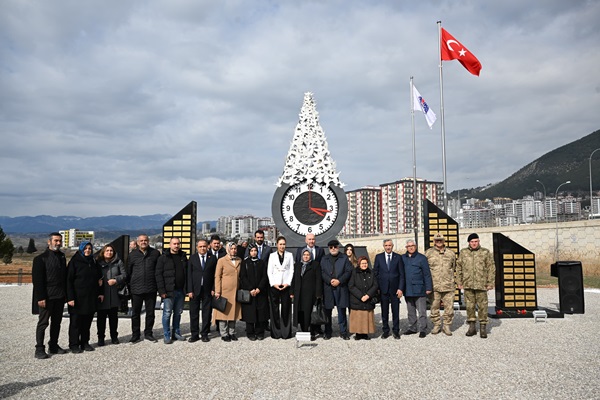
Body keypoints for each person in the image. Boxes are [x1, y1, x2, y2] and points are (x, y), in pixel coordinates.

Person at [32, 232, 68, 359]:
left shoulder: (62, 257)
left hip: (59, 296)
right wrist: (40, 297)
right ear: (49, 242)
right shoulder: (40, 259)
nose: (58, 243)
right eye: (56, 241)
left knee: (56, 323)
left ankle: (53, 345)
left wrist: (66, 295)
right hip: (46, 296)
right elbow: (37, 280)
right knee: (43, 323)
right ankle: (39, 348)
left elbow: (64, 277)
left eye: (60, 241)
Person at [456, 233, 495, 338]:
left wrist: (490, 282)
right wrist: (459, 282)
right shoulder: (463, 252)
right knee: (469, 306)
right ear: (469, 242)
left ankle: (483, 328)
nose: (474, 243)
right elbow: (459, 267)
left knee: (483, 307)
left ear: (479, 241)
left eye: (476, 241)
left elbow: (491, 268)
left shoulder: (485, 252)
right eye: (472, 242)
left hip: (481, 284)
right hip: (468, 284)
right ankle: (472, 327)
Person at [67, 241, 103, 353]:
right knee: (75, 323)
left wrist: (100, 292)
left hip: (90, 297)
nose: (87, 250)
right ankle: (74, 344)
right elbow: (68, 281)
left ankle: (84, 342)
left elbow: (99, 279)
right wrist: (70, 298)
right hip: (77, 298)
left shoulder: (93, 262)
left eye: (89, 248)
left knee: (87, 322)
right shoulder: (74, 262)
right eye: (85, 248)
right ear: (81, 249)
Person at [127, 234, 161, 343]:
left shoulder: (155, 253)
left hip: (151, 288)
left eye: (145, 240)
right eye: (141, 240)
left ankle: (148, 333)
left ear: (148, 241)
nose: (143, 242)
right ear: (137, 242)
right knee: (135, 313)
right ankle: (135, 335)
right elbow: (128, 272)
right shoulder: (132, 255)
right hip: (136, 288)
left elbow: (158, 271)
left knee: (150, 313)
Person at [156, 237, 188, 344]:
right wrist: (161, 291)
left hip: (180, 290)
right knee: (167, 313)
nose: (176, 246)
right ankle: (167, 334)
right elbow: (158, 275)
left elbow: (186, 273)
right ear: (170, 245)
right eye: (174, 244)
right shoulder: (163, 258)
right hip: (168, 291)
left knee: (178, 313)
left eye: (178, 244)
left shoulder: (183, 257)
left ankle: (176, 332)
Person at [425, 233, 457, 336]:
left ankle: (447, 326)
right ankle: (437, 325)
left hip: (448, 286)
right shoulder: (428, 253)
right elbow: (425, 270)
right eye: (437, 240)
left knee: (449, 308)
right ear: (434, 241)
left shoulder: (451, 253)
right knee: (434, 307)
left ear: (444, 241)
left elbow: (454, 267)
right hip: (434, 286)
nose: (439, 242)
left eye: (440, 240)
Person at [321, 239, 353, 340]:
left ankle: (343, 332)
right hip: (328, 288)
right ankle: (328, 331)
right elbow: (322, 272)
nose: (333, 249)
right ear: (329, 248)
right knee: (327, 312)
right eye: (331, 247)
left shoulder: (344, 258)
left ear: (338, 247)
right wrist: (330, 280)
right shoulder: (324, 259)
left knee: (342, 311)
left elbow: (348, 271)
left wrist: (339, 280)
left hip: (341, 287)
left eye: (335, 247)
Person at [373, 239, 404, 339]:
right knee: (384, 311)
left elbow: (401, 275)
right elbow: (375, 273)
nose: (388, 247)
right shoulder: (379, 257)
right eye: (386, 245)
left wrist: (400, 288)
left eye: (389, 245)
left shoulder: (398, 257)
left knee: (395, 311)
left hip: (395, 290)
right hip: (383, 289)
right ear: (383, 246)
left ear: (392, 246)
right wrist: (377, 287)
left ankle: (396, 330)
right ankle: (385, 330)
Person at [402, 239, 433, 338]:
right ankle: (412, 328)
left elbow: (427, 274)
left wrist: (428, 287)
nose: (410, 247)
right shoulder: (402, 258)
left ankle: (423, 329)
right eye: (408, 246)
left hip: (419, 289)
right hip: (407, 289)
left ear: (415, 246)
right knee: (410, 311)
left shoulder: (422, 258)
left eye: (412, 246)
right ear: (406, 248)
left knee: (422, 311)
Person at [187, 239, 217, 343]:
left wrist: (214, 288)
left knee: (207, 313)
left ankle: (204, 334)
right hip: (195, 290)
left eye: (204, 246)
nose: (202, 248)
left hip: (208, 290)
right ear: (197, 248)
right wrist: (189, 290)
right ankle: (194, 334)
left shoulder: (212, 258)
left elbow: (215, 275)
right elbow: (189, 275)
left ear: (207, 247)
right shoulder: (192, 258)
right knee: (194, 313)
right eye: (200, 247)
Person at [96, 244, 126, 346]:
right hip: (102, 295)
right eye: (107, 251)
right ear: (103, 252)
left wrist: (116, 280)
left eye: (111, 251)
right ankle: (101, 338)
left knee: (114, 318)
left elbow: (124, 275)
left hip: (114, 294)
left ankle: (114, 336)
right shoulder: (98, 263)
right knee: (101, 319)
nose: (109, 252)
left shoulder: (118, 262)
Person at [239, 244, 269, 340]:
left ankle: (260, 332)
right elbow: (243, 277)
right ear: (249, 252)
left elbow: (265, 276)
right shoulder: (245, 263)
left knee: (261, 313)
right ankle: (250, 332)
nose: (254, 252)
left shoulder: (261, 262)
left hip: (260, 291)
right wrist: (251, 288)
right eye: (252, 251)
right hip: (250, 292)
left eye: (255, 251)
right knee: (250, 313)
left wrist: (259, 288)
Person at [267, 236, 294, 339]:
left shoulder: (290, 255)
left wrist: (288, 283)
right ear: (277, 245)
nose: (282, 246)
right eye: (280, 244)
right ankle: (276, 332)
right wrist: (273, 284)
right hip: (275, 285)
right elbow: (269, 271)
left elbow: (291, 270)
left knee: (286, 309)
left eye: (284, 244)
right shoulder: (272, 256)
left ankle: (286, 332)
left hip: (286, 285)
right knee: (274, 309)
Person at [292, 249, 323, 340]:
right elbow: (294, 279)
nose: (306, 256)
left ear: (310, 256)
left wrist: (318, 293)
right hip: (299, 294)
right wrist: (291, 292)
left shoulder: (315, 265)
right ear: (301, 256)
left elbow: (318, 279)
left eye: (308, 255)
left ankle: (310, 331)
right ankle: (303, 330)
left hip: (310, 294)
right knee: (300, 313)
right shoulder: (297, 265)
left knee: (309, 313)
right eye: (304, 255)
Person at [214, 242, 242, 342]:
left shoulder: (239, 260)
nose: (234, 250)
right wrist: (217, 290)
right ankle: (224, 333)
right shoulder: (221, 261)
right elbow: (217, 276)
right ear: (228, 249)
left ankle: (232, 332)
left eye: (235, 248)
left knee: (233, 312)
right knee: (223, 313)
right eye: (232, 248)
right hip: (224, 290)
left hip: (235, 290)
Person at [348, 256, 379, 340]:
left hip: (368, 298)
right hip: (357, 299)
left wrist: (368, 295)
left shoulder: (371, 272)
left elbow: (375, 285)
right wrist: (361, 296)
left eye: (365, 263)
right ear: (359, 264)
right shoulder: (354, 272)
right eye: (362, 263)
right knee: (358, 317)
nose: (364, 265)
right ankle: (358, 333)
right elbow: (351, 286)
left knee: (366, 317)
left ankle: (365, 333)